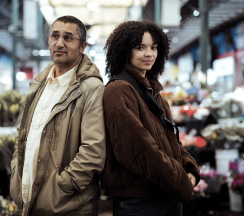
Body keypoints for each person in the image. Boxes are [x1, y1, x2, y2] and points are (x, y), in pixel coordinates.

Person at [101, 20, 200, 216]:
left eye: (154, 47)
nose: (149, 54)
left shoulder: (151, 90)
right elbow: (138, 147)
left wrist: (190, 170)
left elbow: (172, 140)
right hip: (138, 201)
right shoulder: (118, 90)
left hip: (166, 194)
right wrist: (180, 180)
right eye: (140, 47)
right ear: (124, 51)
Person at [10, 15, 106, 216]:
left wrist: (63, 186)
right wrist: (16, 170)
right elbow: (24, 134)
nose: (59, 43)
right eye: (55, 36)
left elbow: (94, 150)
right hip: (28, 199)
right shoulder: (40, 84)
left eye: (68, 37)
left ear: (82, 46)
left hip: (66, 206)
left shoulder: (91, 88)